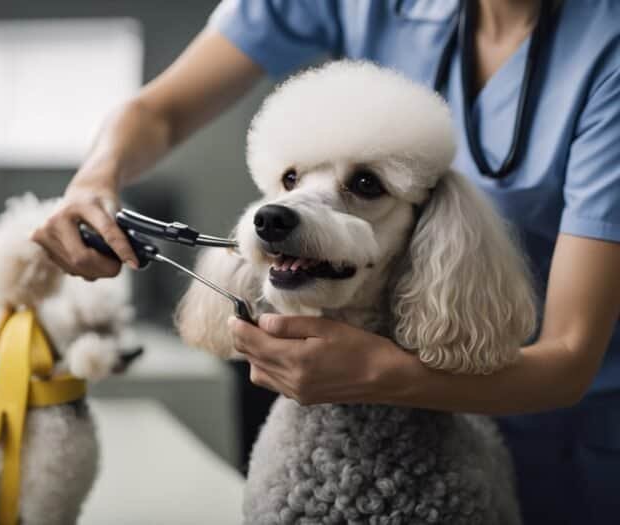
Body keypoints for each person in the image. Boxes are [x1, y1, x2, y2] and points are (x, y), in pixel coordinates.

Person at [32, 1, 620, 523]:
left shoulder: (605, 50)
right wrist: (95, 178)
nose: (285, 208)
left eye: (364, 183)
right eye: (288, 180)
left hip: (568, 427)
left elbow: (570, 355)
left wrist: (388, 377)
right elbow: (159, 111)